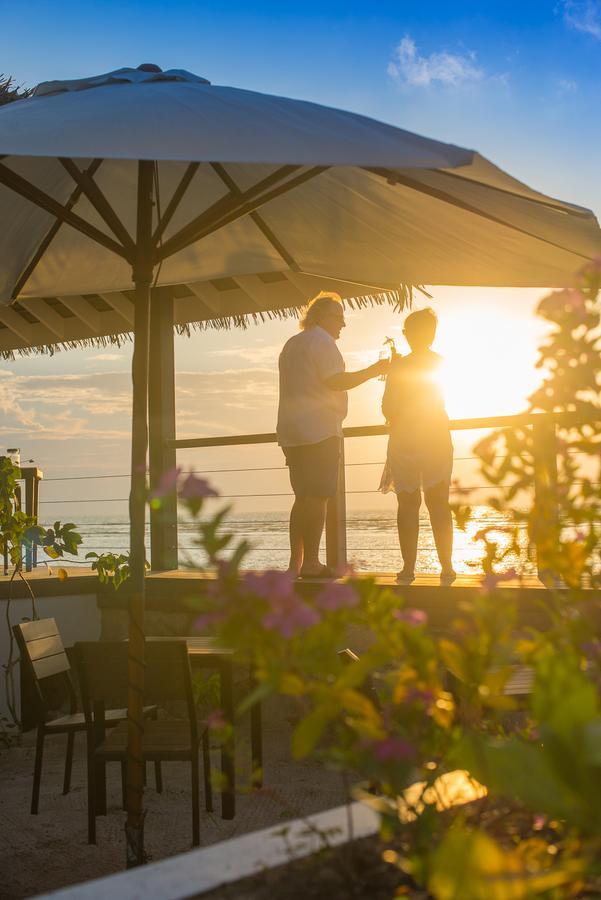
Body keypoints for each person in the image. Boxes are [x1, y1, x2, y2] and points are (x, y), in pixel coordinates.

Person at [277, 292, 388, 578]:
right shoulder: (322, 342)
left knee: (301, 497)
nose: (343, 324)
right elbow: (336, 381)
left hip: (291, 431)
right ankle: (312, 563)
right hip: (319, 431)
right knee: (318, 497)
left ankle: (296, 564)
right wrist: (375, 370)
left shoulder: (292, 344)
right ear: (322, 317)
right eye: (339, 318)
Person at [379, 307, 456, 586]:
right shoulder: (440, 363)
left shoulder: (398, 366)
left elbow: (387, 406)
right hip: (434, 437)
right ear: (432, 335)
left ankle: (409, 568)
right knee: (438, 502)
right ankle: (446, 567)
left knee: (408, 503)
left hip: (406, 439)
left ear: (407, 335)